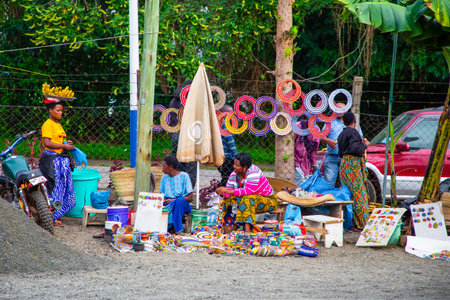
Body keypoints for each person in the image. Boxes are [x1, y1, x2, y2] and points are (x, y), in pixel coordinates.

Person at [216, 152, 278, 232]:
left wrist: (228, 191)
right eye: (234, 164)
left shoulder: (254, 172)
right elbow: (229, 194)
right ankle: (229, 226)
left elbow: (248, 191)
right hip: (250, 200)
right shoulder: (234, 175)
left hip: (269, 201)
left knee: (247, 199)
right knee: (229, 200)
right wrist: (221, 193)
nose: (234, 167)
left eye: (237, 165)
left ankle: (247, 231)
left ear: (245, 167)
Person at [38, 99, 76, 226]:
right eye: (58, 110)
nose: (60, 113)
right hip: (53, 160)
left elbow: (60, 141)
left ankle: (56, 215)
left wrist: (66, 144)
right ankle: (51, 217)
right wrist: (64, 147)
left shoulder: (58, 124)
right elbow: (47, 143)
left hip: (60, 158)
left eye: (61, 111)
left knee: (64, 188)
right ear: (50, 110)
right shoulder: (47, 124)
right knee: (55, 187)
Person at [338, 112, 370, 230]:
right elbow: (355, 149)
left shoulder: (341, 134)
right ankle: (363, 224)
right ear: (354, 121)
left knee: (348, 195)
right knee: (359, 194)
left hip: (344, 165)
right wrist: (365, 145)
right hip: (353, 165)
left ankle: (352, 223)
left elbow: (340, 153)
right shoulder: (353, 132)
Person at [321, 103, 363, 188]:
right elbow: (321, 136)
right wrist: (328, 141)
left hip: (346, 157)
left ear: (346, 110)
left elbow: (360, 138)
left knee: (346, 182)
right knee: (329, 181)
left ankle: (344, 200)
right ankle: (328, 199)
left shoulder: (351, 122)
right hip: (332, 156)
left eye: (340, 108)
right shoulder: (329, 122)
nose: (338, 111)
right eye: (336, 108)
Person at [168, 80, 197, 188]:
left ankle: (177, 189)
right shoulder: (192, 102)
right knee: (191, 163)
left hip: (176, 134)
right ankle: (188, 191)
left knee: (178, 163)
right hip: (190, 134)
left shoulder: (174, 101)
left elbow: (171, 121)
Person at [159, 155, 193, 233]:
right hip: (168, 205)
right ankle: (166, 228)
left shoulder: (184, 176)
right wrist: (163, 200)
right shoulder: (164, 177)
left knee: (179, 201)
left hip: (182, 204)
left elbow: (190, 197)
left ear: (171, 167)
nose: (162, 168)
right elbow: (162, 195)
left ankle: (178, 229)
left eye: (164, 166)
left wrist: (173, 200)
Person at [294, 120, 320, 186]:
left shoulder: (316, 130)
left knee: (305, 180)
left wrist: (314, 164)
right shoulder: (298, 127)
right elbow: (291, 144)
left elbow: (314, 149)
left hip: (306, 161)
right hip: (295, 158)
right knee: (299, 180)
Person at [218, 105, 237, 187]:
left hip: (220, 156)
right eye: (231, 113)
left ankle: (220, 191)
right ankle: (218, 191)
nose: (233, 115)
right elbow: (230, 141)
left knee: (225, 176)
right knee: (228, 177)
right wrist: (236, 155)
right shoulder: (226, 125)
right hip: (228, 158)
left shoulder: (219, 123)